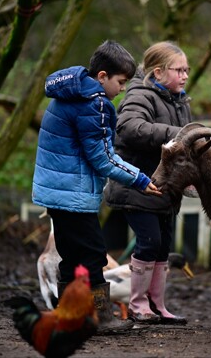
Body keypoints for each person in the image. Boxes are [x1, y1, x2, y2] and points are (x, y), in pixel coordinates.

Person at [32, 40, 161, 332]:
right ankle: (99, 317)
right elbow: (103, 158)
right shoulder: (95, 104)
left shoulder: (68, 93)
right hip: (74, 194)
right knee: (93, 253)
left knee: (70, 254)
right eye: (121, 82)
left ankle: (69, 314)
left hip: (56, 192)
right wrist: (140, 179)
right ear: (102, 77)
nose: (123, 89)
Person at [104, 41, 192, 325]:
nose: (185, 76)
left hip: (164, 190)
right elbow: (130, 128)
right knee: (150, 241)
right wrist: (180, 134)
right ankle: (139, 304)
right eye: (179, 70)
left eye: (186, 70)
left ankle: (157, 305)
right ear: (158, 72)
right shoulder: (139, 94)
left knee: (163, 246)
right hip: (137, 185)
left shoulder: (179, 102)